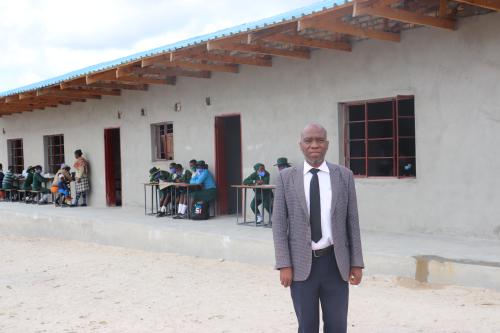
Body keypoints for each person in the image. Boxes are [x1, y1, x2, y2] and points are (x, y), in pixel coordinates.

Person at [272, 123, 364, 333]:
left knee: (337, 325)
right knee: (307, 326)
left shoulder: (344, 176)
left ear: (327, 144)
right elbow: (278, 224)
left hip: (336, 263)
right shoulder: (286, 178)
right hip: (301, 265)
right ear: (300, 145)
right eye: (309, 141)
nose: (314, 145)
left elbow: (353, 222)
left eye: (320, 140)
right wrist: (284, 264)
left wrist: (356, 263)